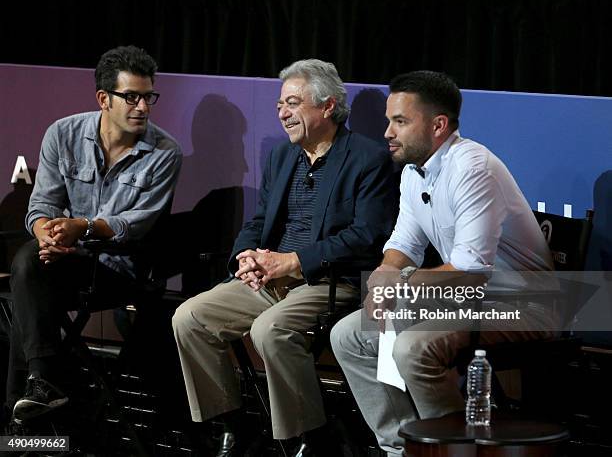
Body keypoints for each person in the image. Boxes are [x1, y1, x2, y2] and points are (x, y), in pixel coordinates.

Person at [172, 59, 396, 456]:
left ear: (327, 106)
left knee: (269, 330)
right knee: (190, 317)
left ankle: (306, 437)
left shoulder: (368, 158)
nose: (282, 113)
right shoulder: (281, 157)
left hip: (330, 281)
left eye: (293, 103)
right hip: (271, 277)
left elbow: (367, 236)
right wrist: (245, 255)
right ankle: (233, 424)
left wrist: (294, 261)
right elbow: (259, 221)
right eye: (279, 105)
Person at [330, 71, 556, 456]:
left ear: (438, 125)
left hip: (525, 304)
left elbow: (471, 269)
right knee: (349, 336)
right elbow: (403, 243)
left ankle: (453, 450)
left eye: (400, 121)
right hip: (468, 299)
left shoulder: (472, 168)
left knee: (413, 348)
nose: (387, 131)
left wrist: (397, 284)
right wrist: (386, 272)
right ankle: (402, 447)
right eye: (389, 120)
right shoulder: (412, 173)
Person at [7, 45, 182, 425]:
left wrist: (81, 228)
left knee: (29, 289)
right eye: (131, 97)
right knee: (28, 264)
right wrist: (46, 233)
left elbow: (137, 223)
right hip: (67, 262)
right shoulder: (63, 133)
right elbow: (41, 206)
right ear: (104, 98)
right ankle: (42, 393)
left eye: (148, 97)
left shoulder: (165, 152)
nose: (143, 107)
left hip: (121, 271)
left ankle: (31, 410)